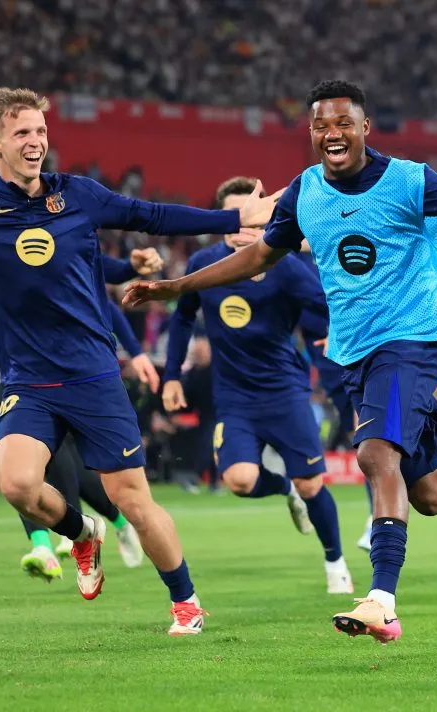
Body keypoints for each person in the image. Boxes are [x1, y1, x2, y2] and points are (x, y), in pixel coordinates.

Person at [123, 79, 437, 644]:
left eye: (344, 123)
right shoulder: (306, 193)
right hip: (355, 354)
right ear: (311, 133)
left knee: (375, 454)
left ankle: (381, 601)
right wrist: (177, 286)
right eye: (322, 125)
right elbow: (259, 255)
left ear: (365, 128)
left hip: (412, 341)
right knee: (431, 494)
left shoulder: (410, 181)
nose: (333, 134)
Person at [0, 87, 279, 634]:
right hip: (28, 379)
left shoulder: (78, 195)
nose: (35, 141)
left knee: (133, 499)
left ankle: (186, 600)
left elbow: (152, 215)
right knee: (17, 485)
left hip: (93, 374)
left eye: (40, 131)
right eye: (22, 132)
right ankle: (83, 534)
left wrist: (235, 217)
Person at [0, 149, 149, 582]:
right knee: (18, 462)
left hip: (65, 363)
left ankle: (106, 525)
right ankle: (46, 544)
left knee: (65, 460)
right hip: (5, 366)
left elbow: (98, 279)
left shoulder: (42, 225)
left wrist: (134, 334)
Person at [161, 175, 353, 594]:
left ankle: (335, 562)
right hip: (234, 398)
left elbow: (330, 303)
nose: (242, 226)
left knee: (312, 484)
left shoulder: (285, 266)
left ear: (266, 219)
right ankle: (283, 488)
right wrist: (171, 374)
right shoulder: (204, 264)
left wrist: (336, 334)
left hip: (285, 391)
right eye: (234, 217)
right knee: (240, 481)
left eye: (251, 217)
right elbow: (182, 317)